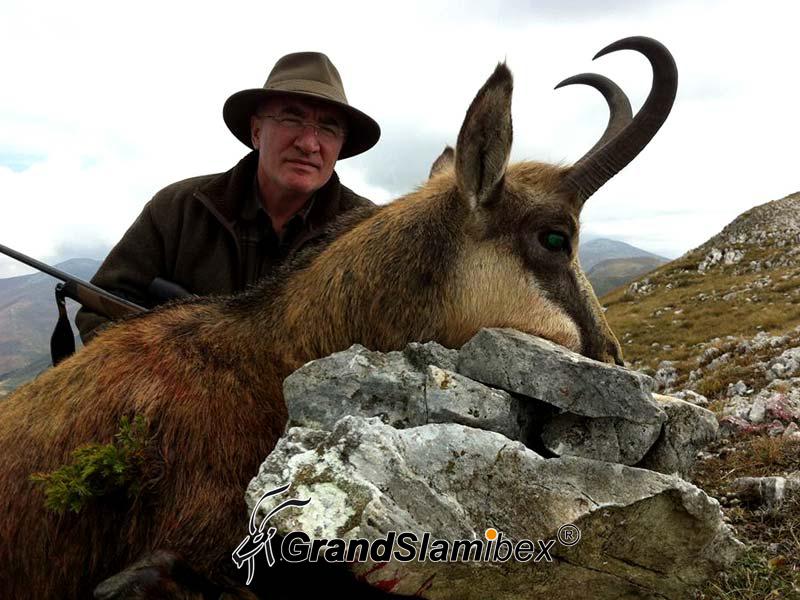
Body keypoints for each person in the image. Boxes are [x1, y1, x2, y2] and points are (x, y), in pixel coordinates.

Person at [76, 52, 380, 342]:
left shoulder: (369, 236)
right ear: (257, 131)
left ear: (341, 146)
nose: (309, 143)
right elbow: (99, 310)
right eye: (291, 119)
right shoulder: (178, 209)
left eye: (328, 128)